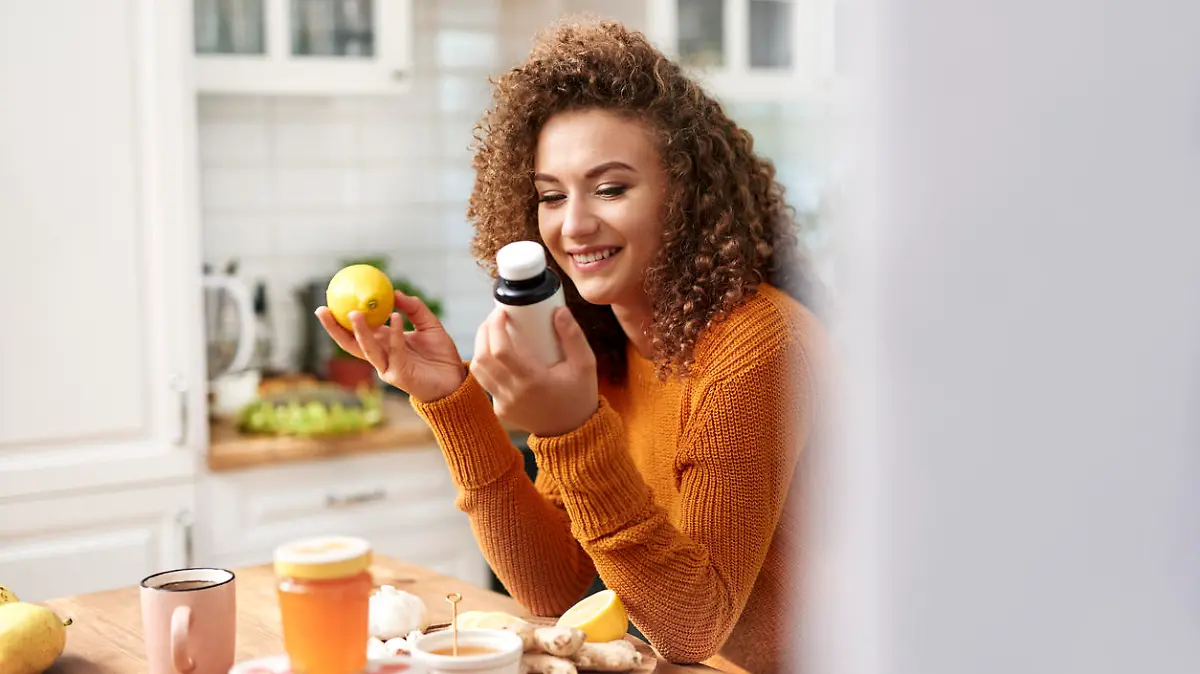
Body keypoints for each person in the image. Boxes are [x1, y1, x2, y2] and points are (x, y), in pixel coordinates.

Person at [316, 18, 831, 672]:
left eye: (611, 188)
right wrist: (452, 400)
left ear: (688, 196)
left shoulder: (759, 343)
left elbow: (695, 625)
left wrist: (570, 426)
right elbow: (556, 589)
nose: (575, 224)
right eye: (551, 196)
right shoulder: (602, 340)